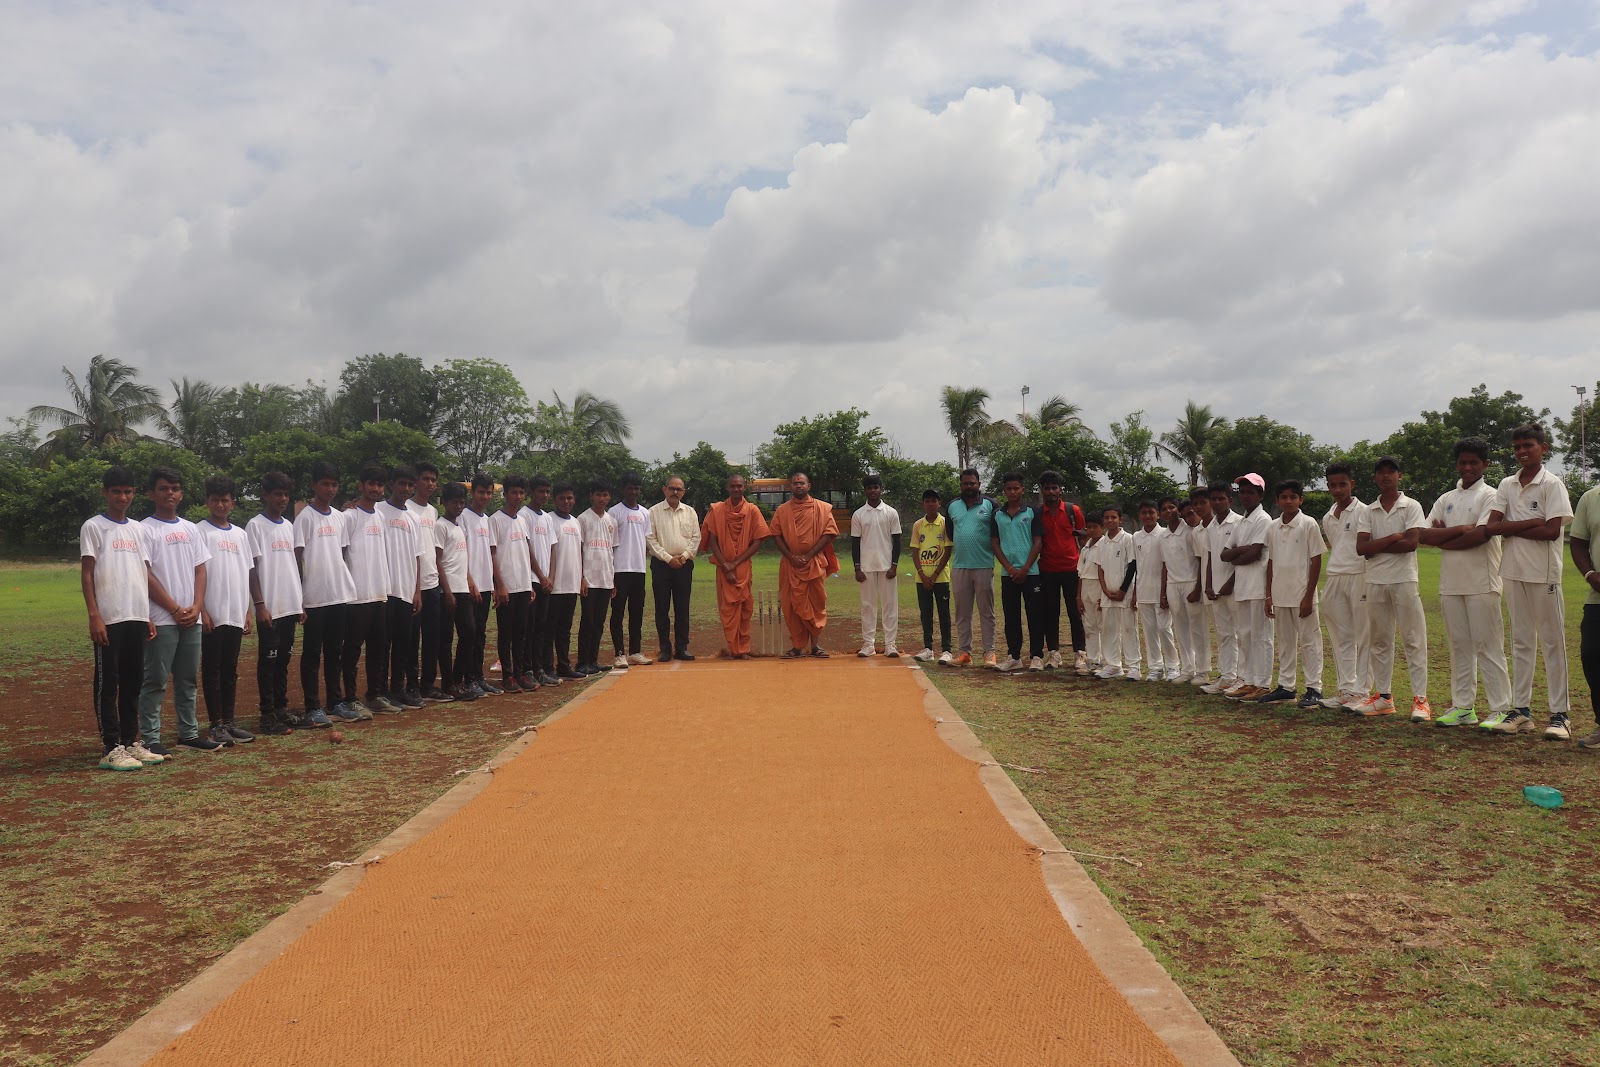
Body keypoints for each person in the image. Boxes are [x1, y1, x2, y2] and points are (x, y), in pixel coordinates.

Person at [1481, 424, 1575, 738]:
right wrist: (1531, 522)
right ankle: (1521, 711)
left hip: (1544, 572)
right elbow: (1493, 527)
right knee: (1521, 641)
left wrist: (1513, 525)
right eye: (1518, 446)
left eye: (1528, 445)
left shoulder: (1552, 484)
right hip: (1513, 571)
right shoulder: (1507, 484)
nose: (1522, 451)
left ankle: (1560, 715)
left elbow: (1552, 532)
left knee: (1552, 641)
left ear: (1543, 448)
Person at [1419, 439, 1510, 728]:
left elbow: (1481, 536)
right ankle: (1463, 707)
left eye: (1474, 462)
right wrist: (1462, 533)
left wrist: (1445, 538)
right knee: (1459, 647)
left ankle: (1500, 708)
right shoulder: (1446, 498)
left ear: (1485, 465)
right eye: (1462, 462)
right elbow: (1423, 535)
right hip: (1451, 583)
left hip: (1483, 582)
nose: (1467, 467)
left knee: (1488, 646)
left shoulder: (1491, 496)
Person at [82, 466, 160, 770]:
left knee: (133, 683)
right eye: (116, 492)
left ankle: (130, 742)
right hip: (110, 617)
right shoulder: (93, 526)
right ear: (105, 493)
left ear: (134, 494)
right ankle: (110, 748)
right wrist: (94, 615)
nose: (122, 497)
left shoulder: (138, 529)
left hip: (136, 615)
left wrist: (147, 615)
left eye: (128, 492)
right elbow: (87, 573)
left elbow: (142, 573)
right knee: (108, 683)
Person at [139, 466, 221, 752]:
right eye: (163, 488)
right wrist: (174, 608)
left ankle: (188, 733)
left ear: (182, 493)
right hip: (163, 618)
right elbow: (145, 574)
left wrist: (197, 606)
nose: (169, 493)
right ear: (152, 494)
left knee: (187, 679)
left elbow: (201, 569)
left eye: (174, 488)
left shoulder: (190, 528)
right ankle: (150, 739)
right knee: (156, 680)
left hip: (191, 617)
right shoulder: (144, 529)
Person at [1352, 456, 1431, 720]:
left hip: (1404, 579)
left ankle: (1420, 700)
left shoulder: (1411, 506)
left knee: (1413, 639)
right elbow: (1362, 549)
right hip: (1375, 581)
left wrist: (1380, 545)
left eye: (1391, 472)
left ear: (1400, 476)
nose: (1386, 476)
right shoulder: (1368, 510)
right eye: (1381, 472)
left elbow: (1411, 544)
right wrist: (1394, 537)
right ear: (1375, 477)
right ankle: (1384, 697)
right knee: (1380, 641)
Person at [296, 462, 363, 723]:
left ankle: (336, 702)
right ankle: (313, 707)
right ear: (314, 485)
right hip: (314, 597)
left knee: (335, 652)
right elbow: (296, 557)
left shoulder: (339, 517)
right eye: (325, 484)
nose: (330, 489)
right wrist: (299, 597)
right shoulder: (305, 518)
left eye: (334, 484)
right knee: (312, 653)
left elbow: (343, 553)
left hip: (338, 594)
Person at [248, 471, 314, 731]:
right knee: (269, 660)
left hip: (290, 606)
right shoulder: (255, 525)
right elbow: (252, 568)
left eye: (286, 494)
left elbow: (295, 566)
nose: (283, 499)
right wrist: (260, 605)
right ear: (266, 495)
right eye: (277, 494)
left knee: (284, 659)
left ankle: (281, 708)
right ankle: (267, 715)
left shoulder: (289, 526)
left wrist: (300, 603)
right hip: (270, 608)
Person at [1254, 480, 1325, 708]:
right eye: (1283, 497)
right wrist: (1268, 595)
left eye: (1293, 497)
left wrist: (1308, 596)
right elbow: (1271, 563)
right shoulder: (1273, 527)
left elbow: (1316, 560)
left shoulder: (1308, 524)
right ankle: (1286, 686)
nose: (1288, 501)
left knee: (1310, 641)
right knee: (1285, 642)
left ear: (1300, 500)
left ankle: (1314, 688)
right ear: (1277, 501)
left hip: (1302, 594)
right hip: (1280, 594)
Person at [196, 476, 251, 748]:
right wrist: (202, 610)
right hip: (212, 613)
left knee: (230, 670)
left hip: (235, 611)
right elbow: (195, 574)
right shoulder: (200, 531)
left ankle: (229, 721)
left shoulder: (241, 534)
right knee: (212, 669)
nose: (220, 504)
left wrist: (248, 610)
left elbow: (246, 573)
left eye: (225, 500)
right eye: (215, 500)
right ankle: (216, 724)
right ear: (207, 501)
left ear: (233, 503)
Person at [1318, 462, 1371, 709]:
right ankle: (1346, 689)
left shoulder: (1365, 512)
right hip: (1335, 577)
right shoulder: (1328, 517)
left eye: (1343, 484)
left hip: (1359, 575)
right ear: (1327, 486)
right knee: (1341, 637)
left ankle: (1363, 691)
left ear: (1352, 484)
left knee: (1363, 635)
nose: (1338, 490)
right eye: (1333, 485)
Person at [700, 474, 769, 659]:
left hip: (743, 566)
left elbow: (757, 541)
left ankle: (744, 649)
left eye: (739, 486)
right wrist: (725, 565)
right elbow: (712, 539)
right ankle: (733, 649)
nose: (736, 489)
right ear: (727, 487)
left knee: (745, 609)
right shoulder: (717, 510)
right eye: (733, 486)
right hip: (723, 567)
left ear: (744, 487)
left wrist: (735, 564)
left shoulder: (753, 510)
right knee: (728, 610)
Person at [342, 465, 394, 715]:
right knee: (352, 649)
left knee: (378, 647)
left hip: (378, 592)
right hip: (356, 595)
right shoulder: (349, 516)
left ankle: (375, 694)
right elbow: (341, 553)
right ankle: (350, 697)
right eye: (371, 484)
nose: (376, 489)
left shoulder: (380, 517)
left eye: (380, 485)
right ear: (360, 485)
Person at [770, 471, 838, 658]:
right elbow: (776, 535)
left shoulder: (822, 508)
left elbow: (829, 533)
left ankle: (816, 646)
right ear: (790, 487)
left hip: (814, 563)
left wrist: (808, 555)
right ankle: (797, 646)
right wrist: (791, 556)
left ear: (809, 486)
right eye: (795, 483)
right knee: (791, 606)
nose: (798, 486)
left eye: (802, 483)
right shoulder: (782, 510)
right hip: (790, 565)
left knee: (817, 604)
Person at [1220, 474, 1271, 701]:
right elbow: (1224, 554)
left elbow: (1255, 553)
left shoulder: (1264, 519)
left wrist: (1238, 554)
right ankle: (1249, 680)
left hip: (1258, 585)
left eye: (1251, 492)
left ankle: (1263, 683)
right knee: (1245, 635)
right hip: (1242, 585)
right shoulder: (1241, 521)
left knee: (1261, 636)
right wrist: (1241, 552)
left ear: (1260, 494)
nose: (1245, 496)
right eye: (1242, 492)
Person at [378, 467, 424, 709]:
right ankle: (381, 690)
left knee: (403, 643)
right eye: (401, 484)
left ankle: (398, 689)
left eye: (409, 485)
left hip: (406, 590)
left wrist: (417, 591)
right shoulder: (378, 511)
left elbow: (417, 556)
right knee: (383, 643)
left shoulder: (414, 518)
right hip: (386, 590)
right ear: (392, 484)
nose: (406, 489)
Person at [990, 472, 1044, 671]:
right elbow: (995, 544)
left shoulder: (1033, 511)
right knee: (1011, 617)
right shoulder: (998, 514)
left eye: (1016, 488)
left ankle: (1037, 656)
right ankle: (1014, 657)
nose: (1012, 492)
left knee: (1035, 615)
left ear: (1022, 489)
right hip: (1008, 574)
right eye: (1008, 489)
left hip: (1031, 573)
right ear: (1004, 491)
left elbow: (1038, 542)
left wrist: (1025, 568)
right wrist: (1010, 568)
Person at [489, 474, 536, 693]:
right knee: (506, 633)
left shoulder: (523, 519)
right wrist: (499, 585)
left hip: (524, 585)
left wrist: (530, 583)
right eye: (513, 492)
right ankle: (508, 675)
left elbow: (525, 551)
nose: (518, 496)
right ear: (505, 494)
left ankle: (520, 673)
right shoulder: (495, 520)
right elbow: (492, 554)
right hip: (506, 586)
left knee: (522, 633)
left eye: (521, 493)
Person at [946, 469, 997, 668]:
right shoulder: (952, 506)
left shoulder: (990, 505)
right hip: (960, 566)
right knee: (962, 612)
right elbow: (951, 533)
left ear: (979, 483)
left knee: (987, 611)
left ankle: (989, 652)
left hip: (984, 565)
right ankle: (965, 652)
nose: (969, 487)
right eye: (965, 483)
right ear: (961, 485)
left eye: (972, 483)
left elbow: (996, 533)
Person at [433, 482, 479, 702]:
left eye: (462, 502)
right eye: (454, 502)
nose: (458, 506)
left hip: (462, 589)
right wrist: (447, 591)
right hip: (448, 591)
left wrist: (469, 583)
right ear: (444, 502)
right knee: (445, 639)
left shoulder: (460, 527)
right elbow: (438, 561)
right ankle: (449, 683)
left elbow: (462, 560)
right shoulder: (440, 526)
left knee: (469, 633)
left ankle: (458, 680)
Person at [646, 475, 700, 662]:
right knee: (662, 607)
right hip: (662, 565)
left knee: (682, 607)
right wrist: (669, 559)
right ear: (664, 489)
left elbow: (696, 538)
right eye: (672, 488)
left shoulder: (690, 512)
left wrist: (683, 557)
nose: (675, 492)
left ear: (684, 492)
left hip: (684, 565)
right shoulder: (653, 512)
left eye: (679, 489)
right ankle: (665, 648)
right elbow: (650, 539)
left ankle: (682, 647)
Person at [1037, 471, 1087, 672]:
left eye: (1054, 488)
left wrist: (1086, 564)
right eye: (1047, 488)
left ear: (1060, 490)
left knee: (1076, 613)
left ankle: (1080, 653)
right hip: (1048, 569)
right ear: (1041, 491)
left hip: (1072, 569)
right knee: (1050, 613)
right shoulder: (1038, 513)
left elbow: (1083, 539)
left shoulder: (1072, 510)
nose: (1051, 491)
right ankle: (1054, 654)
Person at [408, 462, 449, 702]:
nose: (430, 484)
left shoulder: (433, 512)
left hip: (432, 583)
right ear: (416, 481)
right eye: (426, 479)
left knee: (432, 638)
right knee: (412, 640)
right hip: (413, 585)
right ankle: (411, 686)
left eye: (434, 480)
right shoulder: (406, 508)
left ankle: (428, 685)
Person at [851, 474, 902, 658]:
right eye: (869, 488)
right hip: (866, 567)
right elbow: (855, 543)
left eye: (876, 487)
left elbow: (897, 541)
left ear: (881, 488)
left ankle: (890, 644)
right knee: (867, 606)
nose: (873, 491)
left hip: (887, 566)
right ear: (865, 490)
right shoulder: (859, 514)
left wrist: (894, 565)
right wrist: (857, 567)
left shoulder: (890, 512)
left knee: (890, 606)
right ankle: (868, 644)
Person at [462, 474, 503, 696]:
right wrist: (470, 581)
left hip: (486, 585)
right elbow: (461, 553)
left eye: (488, 493)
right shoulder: (464, 517)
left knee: (480, 634)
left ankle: (478, 678)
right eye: (481, 492)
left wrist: (495, 585)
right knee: (469, 633)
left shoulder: (486, 519)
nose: (485, 496)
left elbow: (490, 553)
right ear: (473, 492)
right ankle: (468, 680)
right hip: (470, 586)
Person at [608, 473, 653, 669]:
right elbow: (610, 544)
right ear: (623, 489)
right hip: (619, 570)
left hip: (639, 569)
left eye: (636, 488)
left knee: (636, 612)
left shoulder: (644, 512)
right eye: (629, 488)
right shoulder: (614, 512)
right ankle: (619, 653)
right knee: (618, 612)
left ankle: (635, 651)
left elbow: (645, 540)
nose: (633, 492)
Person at [1200, 482, 1242, 695]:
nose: (1217, 503)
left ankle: (1240, 678)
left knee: (1240, 634)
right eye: (1213, 499)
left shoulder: (1238, 523)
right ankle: (1226, 677)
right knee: (1224, 634)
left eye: (1221, 499)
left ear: (1230, 500)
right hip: (1216, 589)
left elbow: (1242, 558)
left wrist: (1229, 583)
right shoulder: (1210, 527)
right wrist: (1208, 584)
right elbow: (1208, 557)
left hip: (1234, 588)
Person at [1160, 496, 1205, 684]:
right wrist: (1163, 592)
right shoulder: (1162, 536)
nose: (1169, 511)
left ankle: (1203, 670)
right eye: (1164, 508)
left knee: (1198, 627)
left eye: (1172, 507)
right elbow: (1164, 565)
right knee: (1181, 628)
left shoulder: (1190, 531)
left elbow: (1201, 560)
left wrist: (1198, 587)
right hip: (1173, 585)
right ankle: (1188, 668)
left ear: (1178, 510)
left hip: (1191, 582)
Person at [1569, 482, 1600, 749]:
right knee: (1592, 656)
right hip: (1598, 596)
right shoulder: (1591, 497)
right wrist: (1590, 575)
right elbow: (1578, 541)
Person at [577, 481, 619, 676]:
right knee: (588, 621)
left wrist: (612, 580)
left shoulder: (611, 521)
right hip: (589, 579)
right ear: (591, 495)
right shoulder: (583, 519)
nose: (602, 499)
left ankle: (593, 660)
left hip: (605, 579)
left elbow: (611, 551)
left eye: (605, 495)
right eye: (598, 495)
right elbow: (579, 551)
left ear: (610, 496)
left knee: (599, 622)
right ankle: (582, 662)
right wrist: (582, 578)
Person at [909, 489, 954, 663]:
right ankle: (928, 648)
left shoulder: (944, 523)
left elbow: (948, 549)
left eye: (933, 501)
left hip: (941, 577)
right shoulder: (917, 525)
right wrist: (922, 574)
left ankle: (946, 650)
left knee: (944, 613)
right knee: (926, 613)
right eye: (927, 501)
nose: (930, 504)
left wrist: (934, 574)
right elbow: (915, 550)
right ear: (923, 504)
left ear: (939, 503)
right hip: (922, 579)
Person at [545, 485, 584, 679]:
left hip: (572, 584)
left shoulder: (576, 523)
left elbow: (579, 552)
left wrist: (581, 578)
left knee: (565, 629)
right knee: (549, 629)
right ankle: (548, 668)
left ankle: (564, 665)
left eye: (569, 498)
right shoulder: (549, 520)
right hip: (555, 585)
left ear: (574, 499)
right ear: (554, 499)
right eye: (562, 498)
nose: (566, 502)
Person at [1131, 500, 1173, 682]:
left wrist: (1164, 592)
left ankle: (1172, 666)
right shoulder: (1135, 537)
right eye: (1144, 513)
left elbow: (1166, 565)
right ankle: (1156, 667)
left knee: (1164, 629)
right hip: (1143, 591)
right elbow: (1135, 566)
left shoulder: (1164, 534)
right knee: (1149, 631)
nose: (1147, 516)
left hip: (1161, 591)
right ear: (1139, 515)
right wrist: (1134, 593)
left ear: (1157, 514)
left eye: (1151, 512)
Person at [1095, 507, 1139, 680]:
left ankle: (1134, 666)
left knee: (1129, 628)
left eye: (1114, 517)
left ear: (1121, 519)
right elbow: (1100, 568)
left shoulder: (1128, 539)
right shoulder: (1102, 542)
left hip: (1124, 593)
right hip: (1107, 593)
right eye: (1106, 518)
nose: (1110, 520)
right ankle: (1113, 665)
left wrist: (1123, 590)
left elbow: (1133, 566)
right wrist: (1105, 590)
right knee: (1109, 629)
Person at [525, 476, 559, 687]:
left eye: (547, 492)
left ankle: (539, 669)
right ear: (531, 491)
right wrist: (540, 575)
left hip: (546, 581)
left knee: (541, 627)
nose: (544, 496)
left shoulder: (547, 517)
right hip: (531, 580)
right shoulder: (523, 515)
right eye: (540, 491)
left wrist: (551, 577)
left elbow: (553, 548)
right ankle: (527, 669)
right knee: (529, 628)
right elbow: (526, 549)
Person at [1184, 488, 1215, 687]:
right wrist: (1199, 587)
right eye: (1195, 504)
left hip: (1227, 587)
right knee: (1216, 631)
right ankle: (1213, 672)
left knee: (1236, 632)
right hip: (1207, 588)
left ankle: (1239, 675)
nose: (1198, 508)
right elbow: (1200, 561)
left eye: (1202, 503)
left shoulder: (1228, 524)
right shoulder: (1197, 532)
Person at [1076, 511, 1106, 676]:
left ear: (1102, 528)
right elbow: (1080, 574)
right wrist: (1078, 596)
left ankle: (1106, 661)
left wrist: (1104, 594)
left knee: (1103, 626)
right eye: (1089, 527)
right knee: (1089, 626)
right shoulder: (1085, 548)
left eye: (1095, 527)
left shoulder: (1104, 545)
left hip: (1098, 587)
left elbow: (1106, 573)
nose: (1092, 530)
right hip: (1086, 587)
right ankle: (1093, 660)